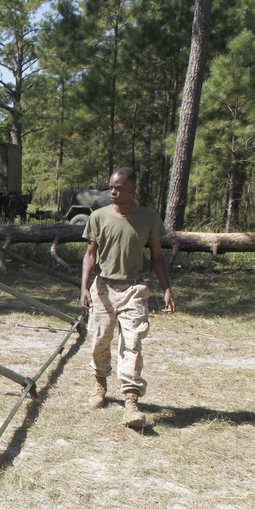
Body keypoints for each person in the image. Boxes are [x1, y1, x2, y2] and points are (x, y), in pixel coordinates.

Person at [80, 166, 176, 428]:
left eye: (119, 188)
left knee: (131, 343)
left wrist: (166, 288)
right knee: (100, 340)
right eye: (111, 187)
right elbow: (90, 255)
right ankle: (99, 386)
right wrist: (84, 287)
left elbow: (157, 257)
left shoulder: (149, 219)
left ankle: (131, 402)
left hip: (134, 290)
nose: (113, 191)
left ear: (132, 188)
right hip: (103, 289)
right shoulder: (98, 217)